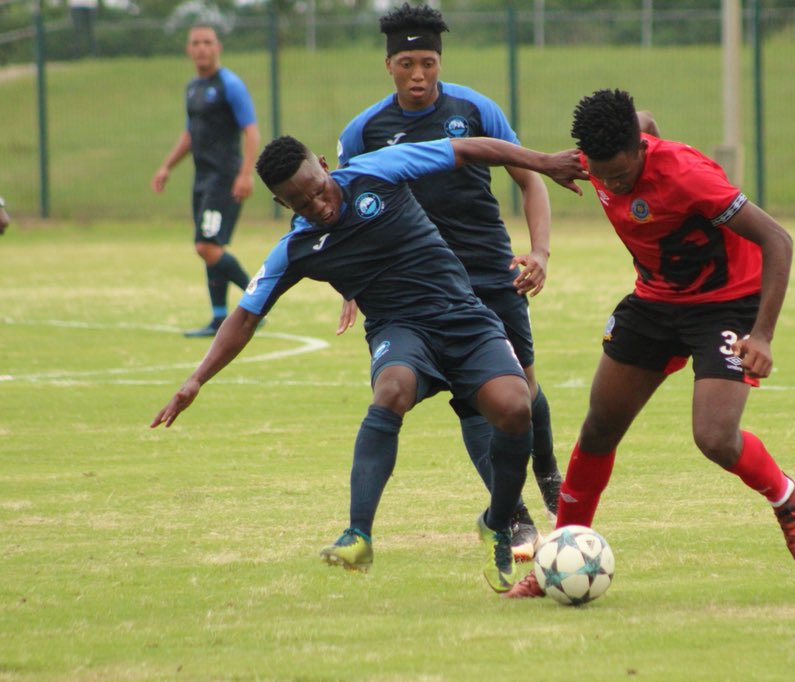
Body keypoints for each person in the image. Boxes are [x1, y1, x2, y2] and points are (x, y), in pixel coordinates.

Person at [150, 134, 586, 594]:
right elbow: (244, 318)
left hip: (464, 318)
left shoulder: (377, 170)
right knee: (392, 388)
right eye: (298, 202)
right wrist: (196, 380)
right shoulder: (297, 248)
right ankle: (358, 534)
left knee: (516, 407)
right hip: (400, 331)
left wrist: (542, 162)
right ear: (281, 202)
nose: (316, 205)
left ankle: (496, 522)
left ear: (323, 165)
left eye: (317, 188)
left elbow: (469, 149)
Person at [505, 89, 795, 598]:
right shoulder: (600, 155)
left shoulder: (688, 176)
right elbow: (644, 117)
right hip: (655, 302)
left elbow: (778, 240)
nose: (611, 184)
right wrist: (544, 162)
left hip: (727, 303)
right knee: (599, 427)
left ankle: (785, 497)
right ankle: (556, 559)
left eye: (621, 175)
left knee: (715, 437)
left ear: (641, 149)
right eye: (602, 175)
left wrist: (762, 335)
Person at [335, 2, 562, 561]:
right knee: (473, 399)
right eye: (407, 62)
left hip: (489, 272)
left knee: (522, 390)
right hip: (418, 288)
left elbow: (530, 181)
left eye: (428, 62)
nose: (419, 75)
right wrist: (349, 286)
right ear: (388, 64)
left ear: (441, 61)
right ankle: (514, 517)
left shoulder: (475, 109)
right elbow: (341, 214)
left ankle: (552, 475)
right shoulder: (363, 131)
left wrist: (538, 251)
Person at [151, 23, 260, 338]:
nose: (201, 48)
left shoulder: (230, 85)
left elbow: (251, 131)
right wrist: (166, 166)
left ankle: (257, 299)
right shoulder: (193, 88)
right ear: (189, 49)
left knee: (206, 245)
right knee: (211, 245)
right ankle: (218, 317)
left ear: (218, 48)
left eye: (207, 42)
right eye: (195, 42)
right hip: (202, 179)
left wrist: (245, 174)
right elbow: (190, 134)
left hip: (224, 178)